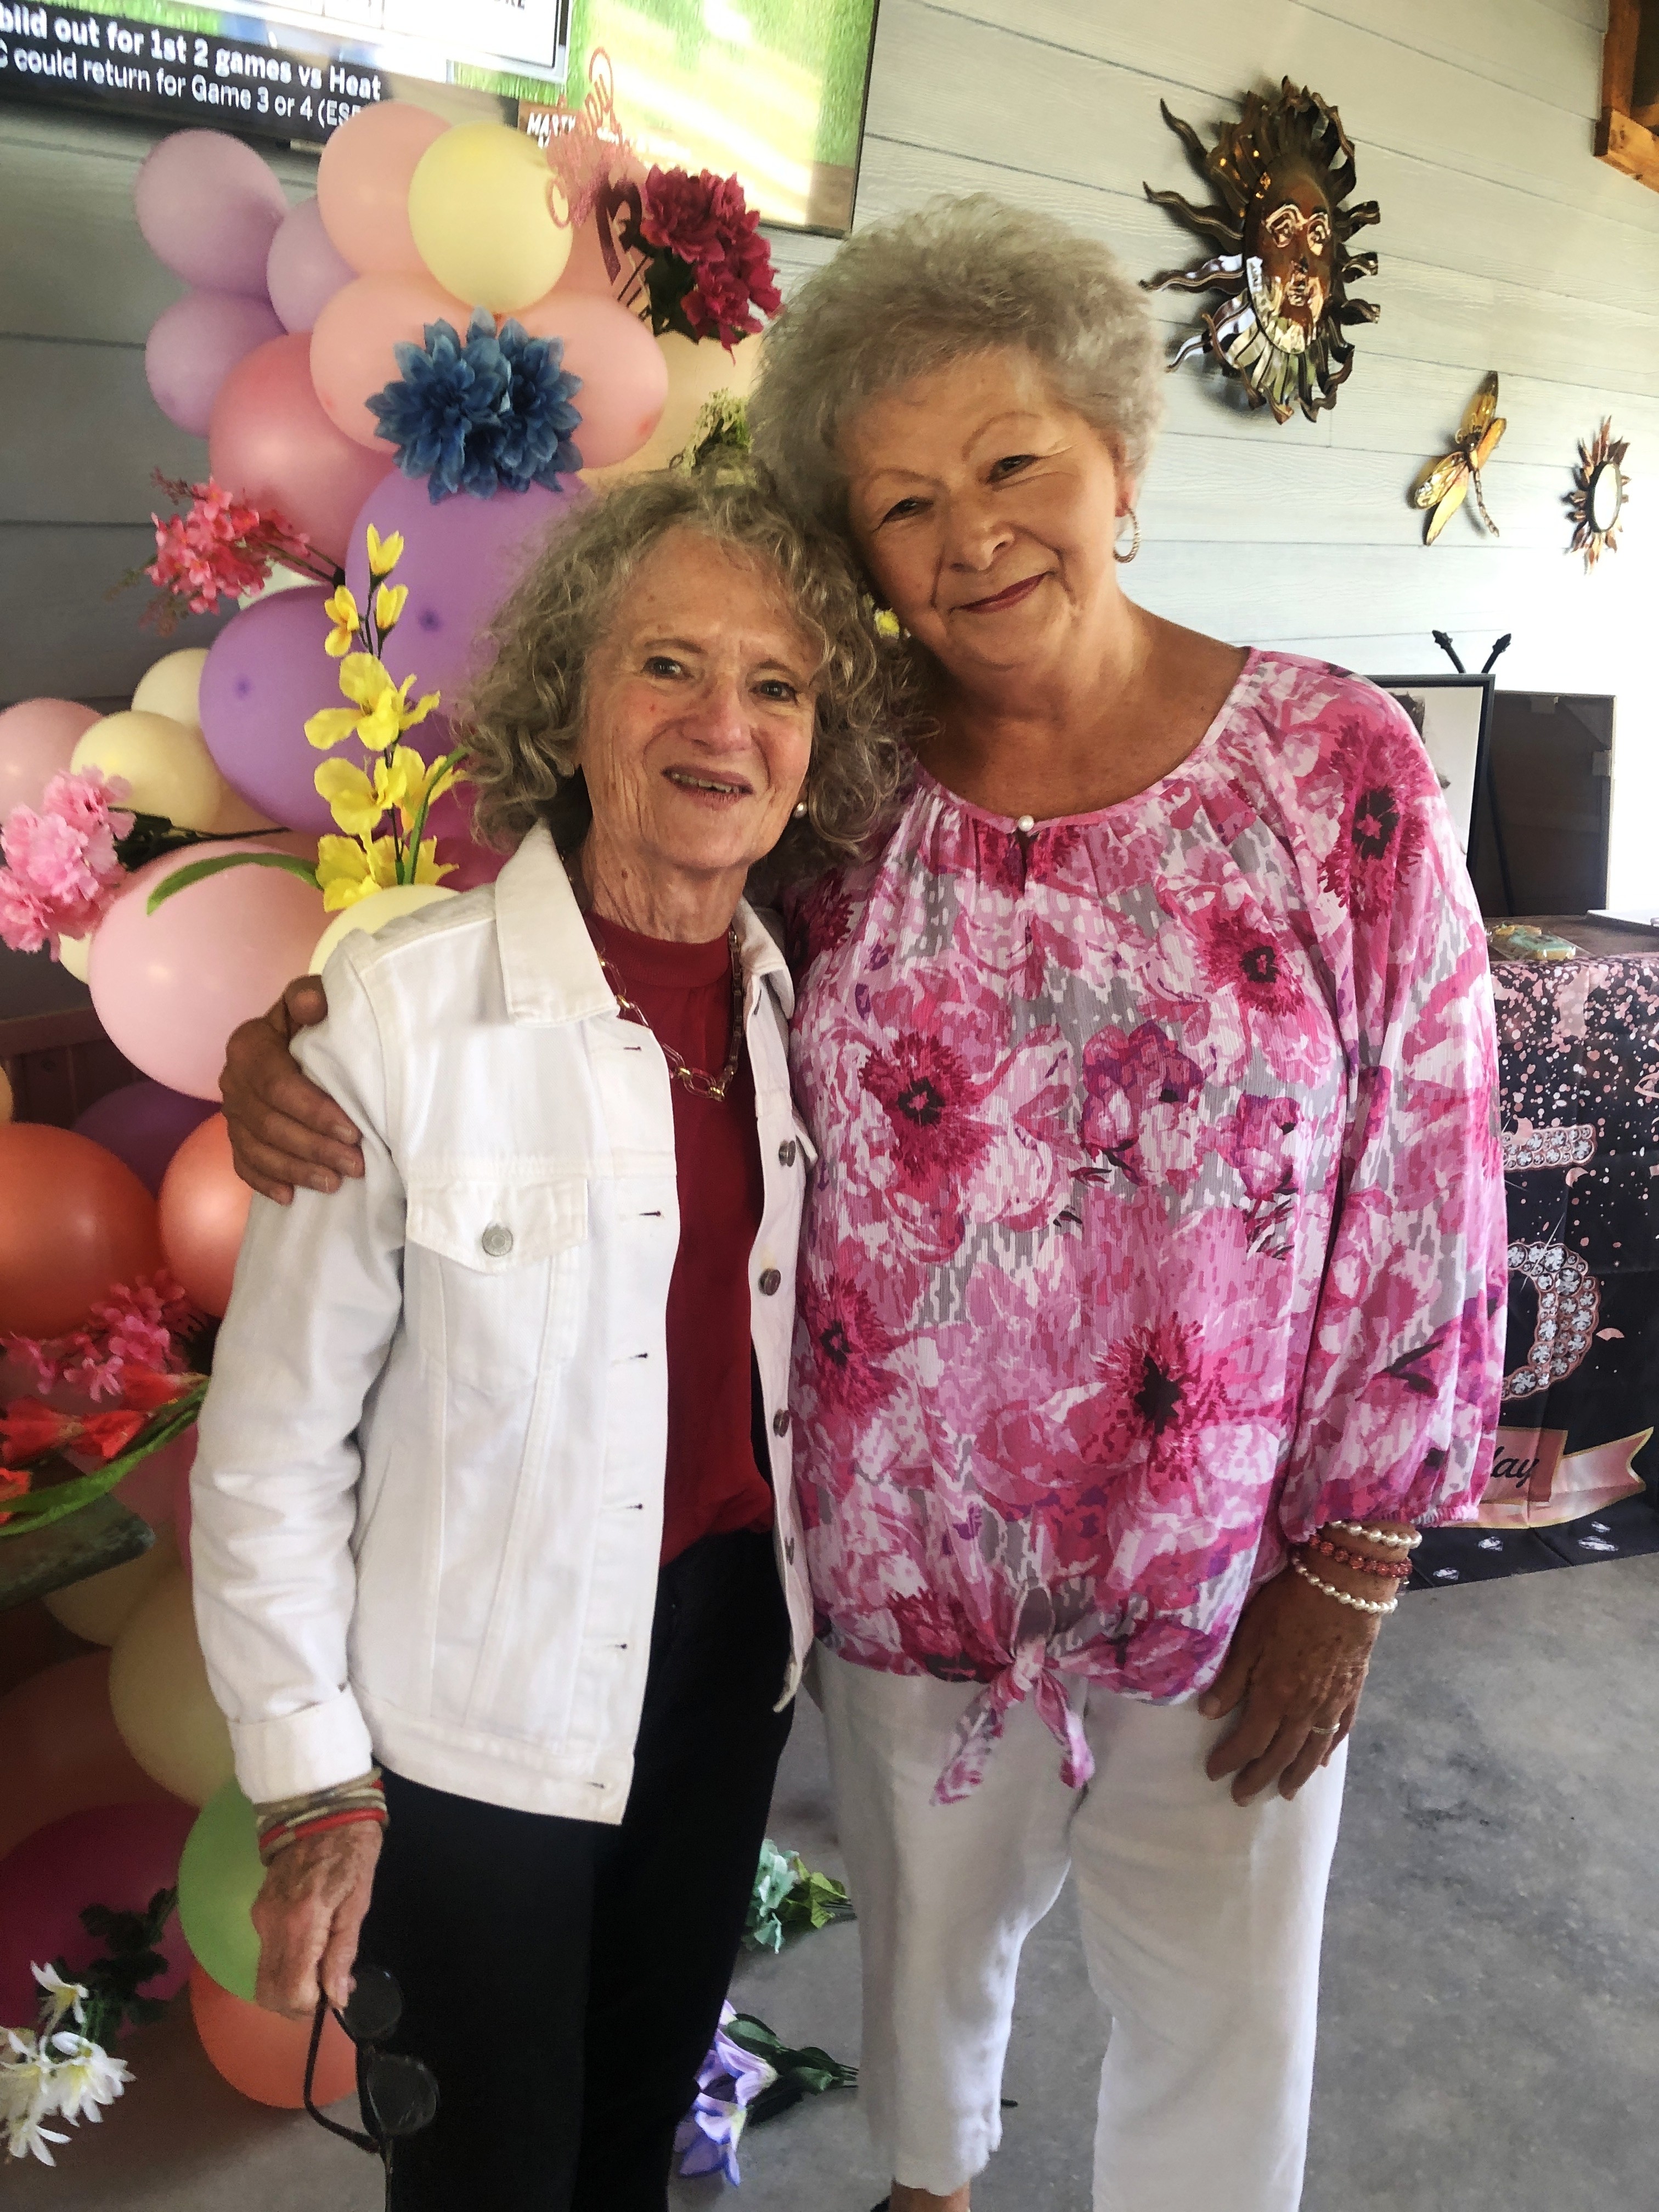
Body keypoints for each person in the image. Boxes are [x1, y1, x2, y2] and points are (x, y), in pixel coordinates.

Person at [217, 197, 1506, 2212]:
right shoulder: (846, 798)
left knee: (1221, 2038)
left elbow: (1432, 1168)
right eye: (905, 505)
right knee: (922, 2027)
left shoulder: (1335, 770)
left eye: (1015, 465)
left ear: (1121, 462)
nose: (971, 535)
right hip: (898, 1581)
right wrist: (303, 1033)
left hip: (1225, 1576)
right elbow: (604, 929)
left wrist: (1354, 1559)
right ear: (868, 563)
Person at [190, 468, 902, 2212]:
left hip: (727, 1670)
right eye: (669, 665)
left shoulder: (804, 1000)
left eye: (777, 685)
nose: (723, 725)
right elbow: (270, 1447)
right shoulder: (397, 1015)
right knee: (489, 2175)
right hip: (475, 1715)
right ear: (570, 702)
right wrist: (311, 1780)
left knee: (630, 2132)